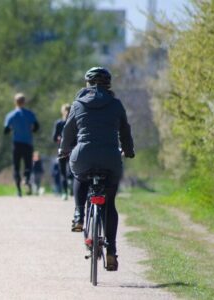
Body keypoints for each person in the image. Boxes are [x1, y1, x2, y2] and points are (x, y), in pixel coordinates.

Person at [59, 67, 135, 271]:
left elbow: (67, 132)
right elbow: (125, 132)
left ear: (88, 84)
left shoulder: (77, 104)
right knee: (109, 203)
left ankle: (78, 215)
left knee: (79, 175)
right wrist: (128, 151)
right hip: (110, 158)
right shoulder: (116, 104)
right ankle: (111, 251)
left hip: (83, 155)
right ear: (108, 84)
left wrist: (63, 150)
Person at [4, 93, 39, 197]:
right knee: (28, 164)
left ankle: (19, 190)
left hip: (16, 144)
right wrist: (30, 129)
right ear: (24, 102)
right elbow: (36, 127)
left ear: (15, 102)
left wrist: (12, 128)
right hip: (28, 143)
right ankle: (27, 178)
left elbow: (5, 130)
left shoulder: (11, 115)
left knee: (16, 167)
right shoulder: (30, 114)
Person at [52, 104, 72, 200]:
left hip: (64, 150)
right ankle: (68, 186)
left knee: (64, 172)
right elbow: (54, 137)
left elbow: (54, 138)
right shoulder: (73, 122)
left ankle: (66, 192)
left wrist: (58, 138)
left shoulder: (61, 123)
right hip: (69, 150)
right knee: (69, 171)